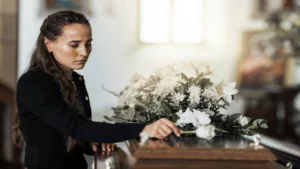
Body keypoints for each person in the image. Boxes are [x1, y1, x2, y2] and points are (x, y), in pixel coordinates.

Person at [12, 10, 180, 169]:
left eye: (88, 44)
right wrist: (144, 128)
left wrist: (92, 141)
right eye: (74, 45)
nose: (84, 52)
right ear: (49, 44)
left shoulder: (75, 79)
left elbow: (67, 134)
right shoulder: (33, 82)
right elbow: (77, 127)